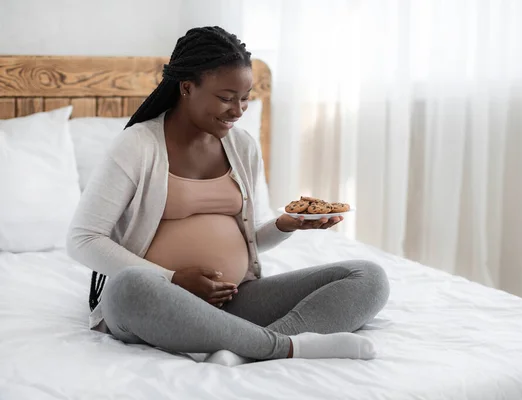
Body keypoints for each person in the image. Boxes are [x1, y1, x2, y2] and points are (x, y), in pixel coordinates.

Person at [67, 26, 390, 366]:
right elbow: (83, 239)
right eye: (225, 97)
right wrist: (173, 279)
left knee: (368, 277)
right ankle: (284, 347)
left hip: (235, 300)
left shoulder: (242, 146)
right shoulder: (137, 145)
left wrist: (285, 225)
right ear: (187, 88)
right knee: (128, 287)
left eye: (245, 97)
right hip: (159, 300)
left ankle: (239, 348)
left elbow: (247, 240)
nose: (238, 110)